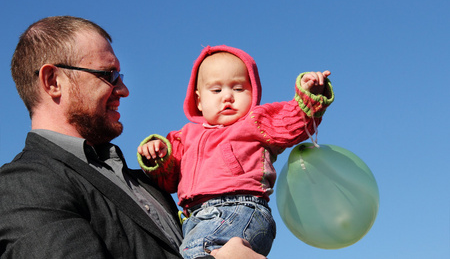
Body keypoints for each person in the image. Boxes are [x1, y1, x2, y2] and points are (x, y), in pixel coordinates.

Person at [0, 16, 266, 259]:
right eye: (109, 75)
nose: (124, 90)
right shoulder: (22, 185)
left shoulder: (146, 183)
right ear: (53, 81)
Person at [137, 45, 335, 258]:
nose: (227, 97)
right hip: (194, 218)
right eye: (216, 90)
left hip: (240, 208)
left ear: (253, 92)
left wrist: (310, 96)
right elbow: (168, 180)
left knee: (198, 251)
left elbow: (291, 123)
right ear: (199, 100)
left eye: (238, 89)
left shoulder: (255, 122)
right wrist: (157, 156)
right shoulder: (184, 136)